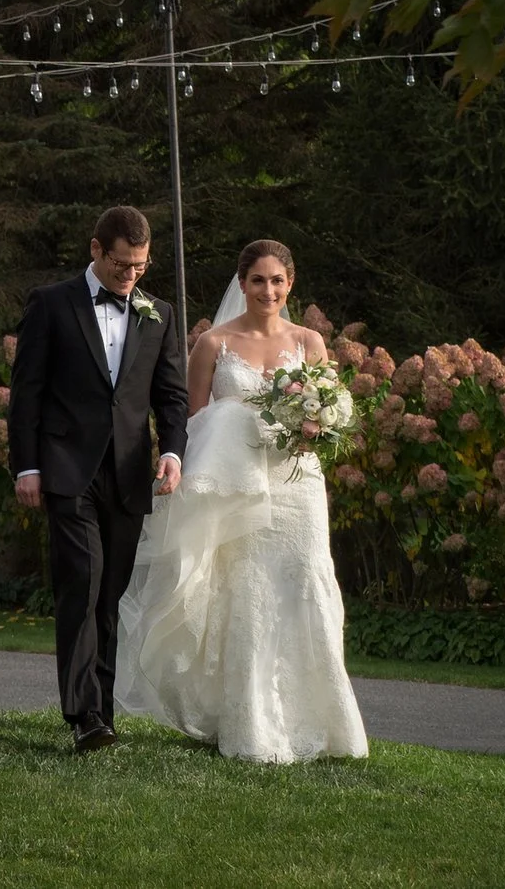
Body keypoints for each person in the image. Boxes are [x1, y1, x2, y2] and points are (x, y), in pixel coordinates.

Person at [114, 239, 369, 762]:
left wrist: (314, 426)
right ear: (242, 283)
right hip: (236, 490)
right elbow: (188, 423)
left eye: (277, 281)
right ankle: (249, 724)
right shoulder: (213, 344)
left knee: (305, 586)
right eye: (258, 280)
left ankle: (323, 723)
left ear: (290, 284)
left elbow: (330, 413)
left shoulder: (309, 343)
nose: (268, 290)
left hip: (298, 487)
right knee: (249, 594)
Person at [7, 205, 190, 751]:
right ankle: (84, 714)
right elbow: (27, 393)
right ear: (95, 250)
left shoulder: (158, 312)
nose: (130, 276)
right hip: (67, 472)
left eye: (139, 266)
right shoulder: (51, 303)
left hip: (130, 474)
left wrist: (174, 453)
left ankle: (102, 713)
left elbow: (171, 396)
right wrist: (27, 465)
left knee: (110, 596)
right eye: (120, 265)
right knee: (82, 585)